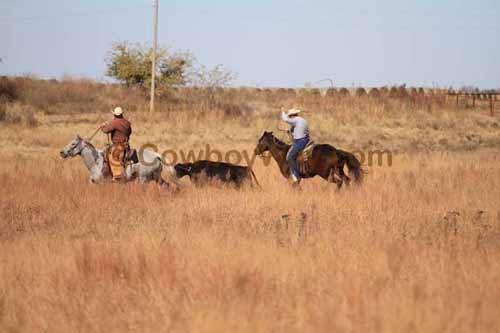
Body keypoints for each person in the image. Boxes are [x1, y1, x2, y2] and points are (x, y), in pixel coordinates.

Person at [101, 107, 132, 181]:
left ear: (115, 115)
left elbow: (106, 130)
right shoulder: (127, 122)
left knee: (109, 155)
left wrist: (102, 126)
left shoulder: (114, 122)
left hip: (118, 146)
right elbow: (130, 132)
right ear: (121, 114)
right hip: (126, 145)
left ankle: (117, 175)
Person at [281, 108, 310, 184]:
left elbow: (286, 120)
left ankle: (296, 176)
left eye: (290, 116)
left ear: (292, 116)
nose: (290, 118)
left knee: (289, 157)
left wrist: (282, 111)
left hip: (300, 141)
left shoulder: (296, 120)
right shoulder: (302, 120)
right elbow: (299, 131)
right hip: (305, 140)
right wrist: (290, 131)